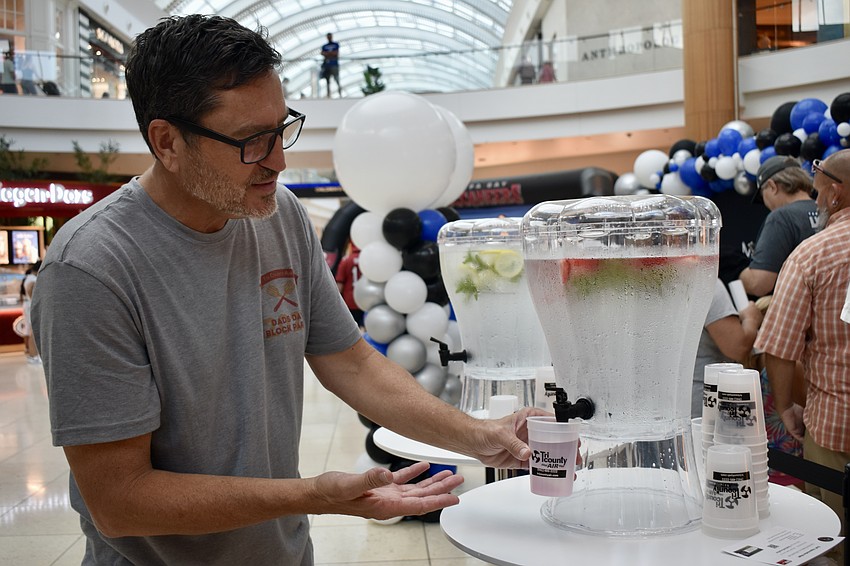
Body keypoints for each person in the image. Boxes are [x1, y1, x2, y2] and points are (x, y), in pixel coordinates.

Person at [31, 15, 545, 565]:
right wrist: (312, 496)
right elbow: (119, 501)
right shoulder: (91, 268)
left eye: (281, 129)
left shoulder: (279, 216)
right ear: (167, 142)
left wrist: (479, 435)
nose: (278, 160)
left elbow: (351, 363)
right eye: (252, 142)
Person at [755, 149, 850, 562]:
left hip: (835, 426)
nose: (816, 201)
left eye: (819, 191)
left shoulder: (813, 255)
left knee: (834, 540)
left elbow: (778, 347)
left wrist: (786, 407)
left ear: (835, 194)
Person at [739, 156, 817, 299]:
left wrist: (734, 271)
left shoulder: (782, 217)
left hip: (798, 307)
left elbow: (759, 283)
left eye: (762, 195)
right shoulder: (828, 211)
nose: (765, 203)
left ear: (772, 186)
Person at [691, 279, 763, 418]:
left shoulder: (651, 279)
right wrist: (751, 319)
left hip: (662, 406)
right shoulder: (705, 281)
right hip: (706, 408)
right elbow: (738, 347)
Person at [335, 242, 363, 327]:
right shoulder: (367, 260)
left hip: (350, 302)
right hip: (365, 302)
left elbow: (339, 284)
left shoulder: (346, 260)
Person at [20, 260, 41, 363]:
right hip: (31, 306)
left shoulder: (28, 278)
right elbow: (34, 295)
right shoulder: (33, 280)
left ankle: (31, 353)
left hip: (28, 306)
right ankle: (34, 354)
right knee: (33, 330)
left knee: (29, 329)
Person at [320, 32, 341, 98]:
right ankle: (328, 94)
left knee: (336, 79)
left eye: (330, 36)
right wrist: (331, 54)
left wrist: (328, 54)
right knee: (327, 81)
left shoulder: (335, 44)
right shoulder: (324, 46)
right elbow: (322, 53)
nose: (329, 38)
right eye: (328, 37)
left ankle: (340, 93)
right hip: (327, 66)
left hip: (334, 65)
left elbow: (336, 53)